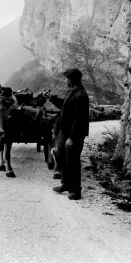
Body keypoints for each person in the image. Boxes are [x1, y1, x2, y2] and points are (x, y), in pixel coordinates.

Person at [52, 68, 90, 200]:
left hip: (74, 134)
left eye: (66, 78)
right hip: (65, 131)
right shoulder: (73, 92)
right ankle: (65, 184)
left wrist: (72, 138)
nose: (65, 81)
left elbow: (79, 120)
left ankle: (76, 191)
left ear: (72, 80)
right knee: (62, 157)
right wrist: (51, 98)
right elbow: (65, 105)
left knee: (72, 161)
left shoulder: (81, 95)